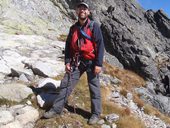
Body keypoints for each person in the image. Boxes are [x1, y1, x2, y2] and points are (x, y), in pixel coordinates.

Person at [43, 1, 104, 125]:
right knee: (66, 84)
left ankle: (95, 114)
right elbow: (68, 47)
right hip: (77, 61)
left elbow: (100, 45)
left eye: (85, 9)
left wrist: (98, 64)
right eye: (80, 9)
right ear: (77, 11)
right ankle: (56, 109)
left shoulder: (94, 26)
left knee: (94, 89)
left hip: (92, 63)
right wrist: (67, 61)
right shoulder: (73, 29)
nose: (82, 11)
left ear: (88, 12)